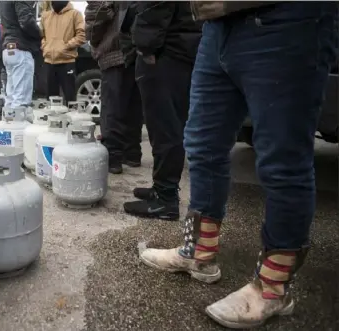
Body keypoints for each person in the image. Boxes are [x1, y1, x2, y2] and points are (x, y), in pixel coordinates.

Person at [139, 2, 337, 329]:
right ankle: (198, 252)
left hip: (286, 18)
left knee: (282, 159)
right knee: (202, 144)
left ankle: (273, 288)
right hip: (217, 25)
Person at [122, 2, 202, 220]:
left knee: (165, 126)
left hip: (167, 52)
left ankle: (165, 199)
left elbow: (155, 6)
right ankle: (162, 188)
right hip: (177, 48)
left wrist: (144, 46)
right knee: (164, 125)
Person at [85, 1, 143, 175]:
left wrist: (95, 42)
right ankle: (132, 153)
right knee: (134, 104)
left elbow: (95, 23)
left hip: (113, 51)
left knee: (112, 106)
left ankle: (113, 157)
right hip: (136, 51)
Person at [0, 1, 41, 116]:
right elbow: (26, 22)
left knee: (11, 96)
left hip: (8, 48)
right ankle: (18, 131)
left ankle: (8, 127)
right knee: (21, 99)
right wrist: (40, 34)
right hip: (20, 48)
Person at [40, 1, 85, 103]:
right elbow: (42, 36)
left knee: (70, 98)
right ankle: (52, 119)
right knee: (50, 99)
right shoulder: (46, 16)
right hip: (49, 62)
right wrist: (45, 46)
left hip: (67, 61)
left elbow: (81, 35)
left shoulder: (75, 14)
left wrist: (65, 46)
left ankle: (72, 117)